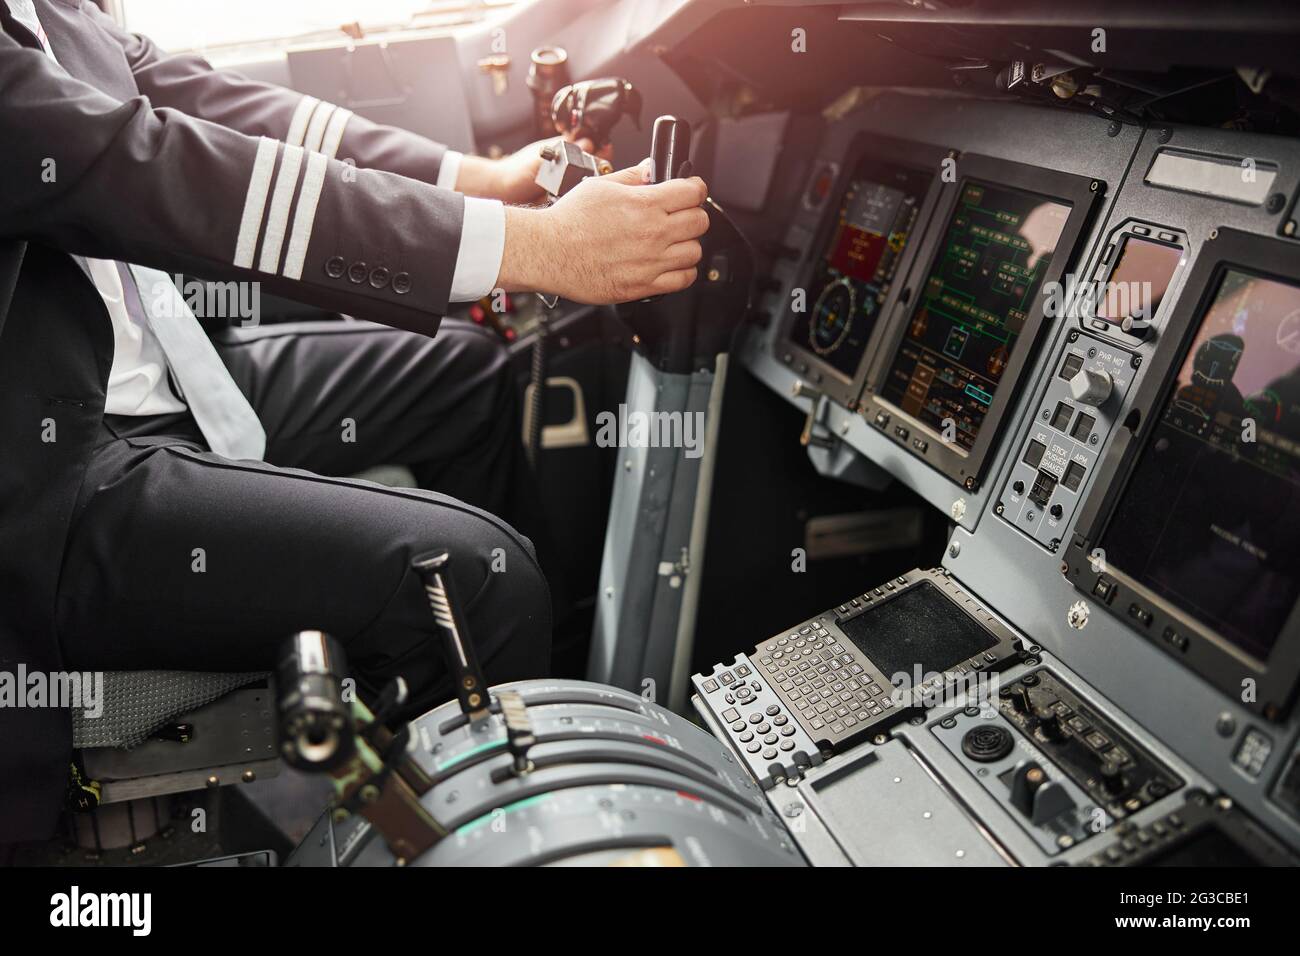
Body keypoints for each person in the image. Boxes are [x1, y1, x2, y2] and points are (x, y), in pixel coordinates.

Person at [0, 0, 709, 842]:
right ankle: (464, 838)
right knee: (482, 582)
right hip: (44, 467)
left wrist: (475, 181)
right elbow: (138, 163)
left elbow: (201, 102)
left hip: (155, 375)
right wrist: (525, 245)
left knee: (470, 379)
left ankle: (552, 698)